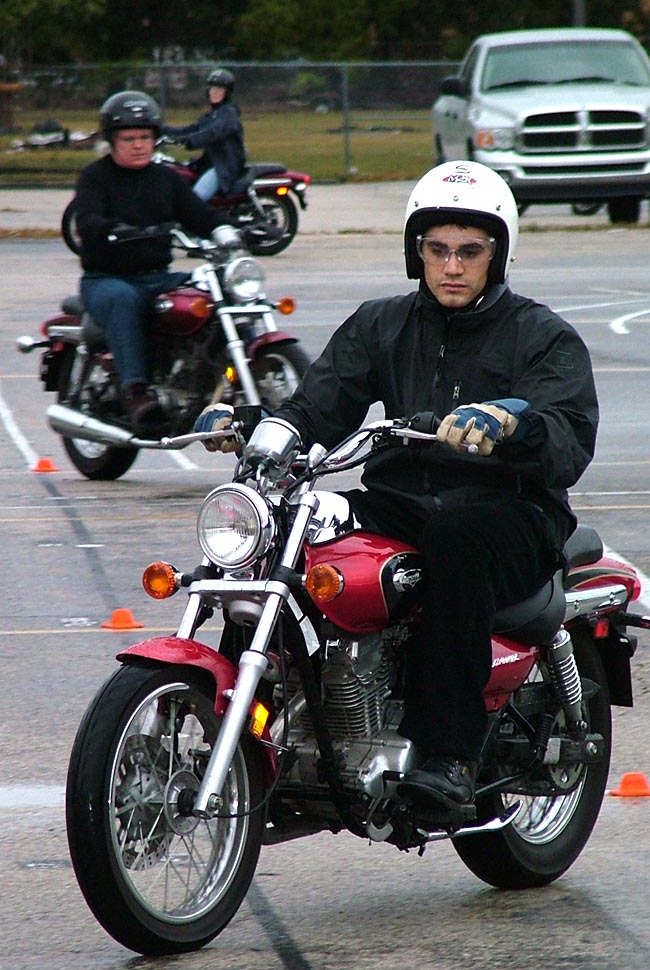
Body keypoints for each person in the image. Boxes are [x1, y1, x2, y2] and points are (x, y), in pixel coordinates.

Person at [197, 160, 599, 813]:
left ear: (498, 255)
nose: (452, 266)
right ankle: (257, 724)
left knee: (456, 539)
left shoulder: (540, 335)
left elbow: (569, 435)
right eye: (437, 250)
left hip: (511, 509)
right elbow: (317, 406)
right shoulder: (381, 324)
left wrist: (508, 424)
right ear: (417, 252)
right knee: (285, 527)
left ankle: (449, 755)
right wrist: (259, 429)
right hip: (401, 501)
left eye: (470, 251)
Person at [75, 89, 238, 433]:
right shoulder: (95, 177)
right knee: (123, 299)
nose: (139, 145)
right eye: (129, 138)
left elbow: (199, 214)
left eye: (145, 137)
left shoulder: (167, 179)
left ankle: (214, 374)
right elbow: (87, 220)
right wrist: (110, 229)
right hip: (106, 279)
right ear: (112, 141)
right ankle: (136, 391)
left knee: (209, 293)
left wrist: (224, 232)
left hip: (158, 277)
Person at [162, 68, 246, 201]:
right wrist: (160, 129)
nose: (214, 92)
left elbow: (213, 133)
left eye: (219, 90)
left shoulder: (229, 114)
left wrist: (189, 140)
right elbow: (191, 129)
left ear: (227, 92)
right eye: (212, 89)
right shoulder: (212, 115)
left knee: (194, 200)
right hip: (208, 164)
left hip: (223, 167)